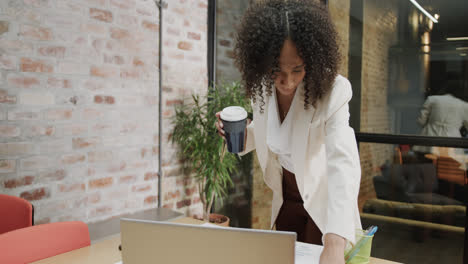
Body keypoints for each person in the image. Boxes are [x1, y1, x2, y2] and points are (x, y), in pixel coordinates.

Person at [215, 1, 361, 263]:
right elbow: (267, 132)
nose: (287, 81)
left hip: (323, 196)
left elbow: (344, 162)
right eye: (276, 70)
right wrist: (238, 135)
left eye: (297, 69)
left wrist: (335, 242)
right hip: (287, 193)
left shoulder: (333, 91)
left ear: (312, 60)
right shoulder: (261, 87)